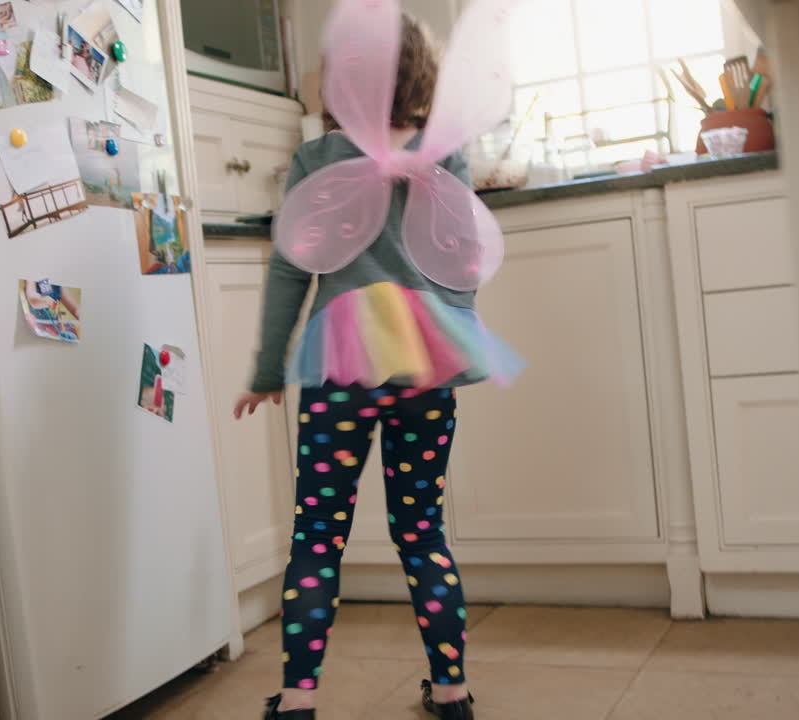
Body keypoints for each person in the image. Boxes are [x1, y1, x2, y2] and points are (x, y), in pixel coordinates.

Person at [234, 9, 520, 720]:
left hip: (340, 371)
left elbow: (288, 274)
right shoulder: (441, 153)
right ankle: (451, 692)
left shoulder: (317, 159)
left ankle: (298, 700)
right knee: (422, 528)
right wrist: (447, 333)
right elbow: (463, 259)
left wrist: (269, 369)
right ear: (420, 77)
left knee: (317, 534)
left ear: (342, 80)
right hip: (422, 366)